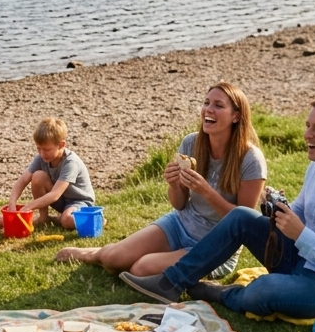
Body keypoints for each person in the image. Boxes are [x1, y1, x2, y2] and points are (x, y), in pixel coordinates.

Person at [120, 95, 315, 320]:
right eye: (308, 125)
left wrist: (300, 235)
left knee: (264, 289)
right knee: (242, 216)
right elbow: (301, 212)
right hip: (303, 258)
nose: (307, 134)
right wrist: (277, 209)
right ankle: (171, 283)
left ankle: (221, 293)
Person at [56, 82, 266, 277]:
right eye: (206, 103)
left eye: (218, 105)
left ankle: (152, 260)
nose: (208, 110)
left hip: (216, 245)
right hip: (181, 223)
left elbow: (243, 223)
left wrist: (206, 192)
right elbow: (179, 204)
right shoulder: (191, 142)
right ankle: (97, 253)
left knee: (141, 268)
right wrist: (174, 184)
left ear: (236, 116)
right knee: (113, 260)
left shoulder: (250, 159)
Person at [7, 117, 95, 228]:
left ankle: (95, 219)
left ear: (61, 145)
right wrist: (12, 203)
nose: (42, 153)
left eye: (47, 149)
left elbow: (54, 195)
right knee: (38, 176)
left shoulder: (70, 162)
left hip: (79, 202)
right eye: (39, 149)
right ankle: (44, 218)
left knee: (67, 220)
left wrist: (29, 207)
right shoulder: (41, 158)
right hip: (62, 200)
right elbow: (23, 180)